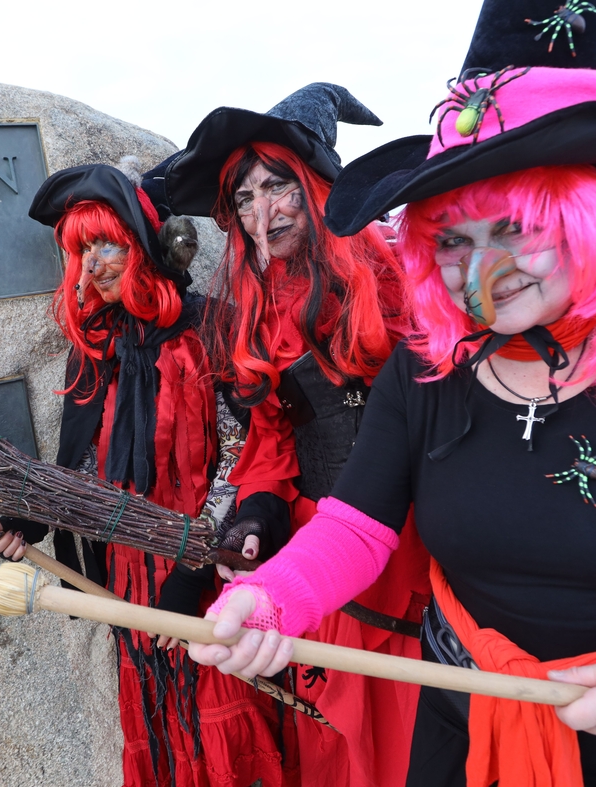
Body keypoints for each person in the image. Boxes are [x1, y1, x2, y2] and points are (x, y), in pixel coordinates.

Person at [190, 2, 596, 786]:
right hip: (467, 740)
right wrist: (272, 598)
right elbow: (358, 524)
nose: (481, 275)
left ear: (594, 218)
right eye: (452, 240)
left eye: (514, 228)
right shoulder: (429, 364)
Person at [0, 161, 297, 787]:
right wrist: (32, 518)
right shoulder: (99, 348)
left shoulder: (213, 328)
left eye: (106, 244)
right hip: (129, 578)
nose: (91, 266)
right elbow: (82, 464)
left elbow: (251, 446)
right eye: (79, 251)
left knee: (226, 719)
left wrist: (195, 560)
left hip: (210, 573)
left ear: (149, 246)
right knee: (159, 727)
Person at [164, 84, 433, 786]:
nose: (260, 213)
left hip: (412, 544)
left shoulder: (400, 281)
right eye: (243, 199)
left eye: (276, 185)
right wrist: (258, 513)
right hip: (318, 547)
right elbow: (271, 443)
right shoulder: (258, 307)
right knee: (336, 744)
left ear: (315, 187)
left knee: (412, 733)